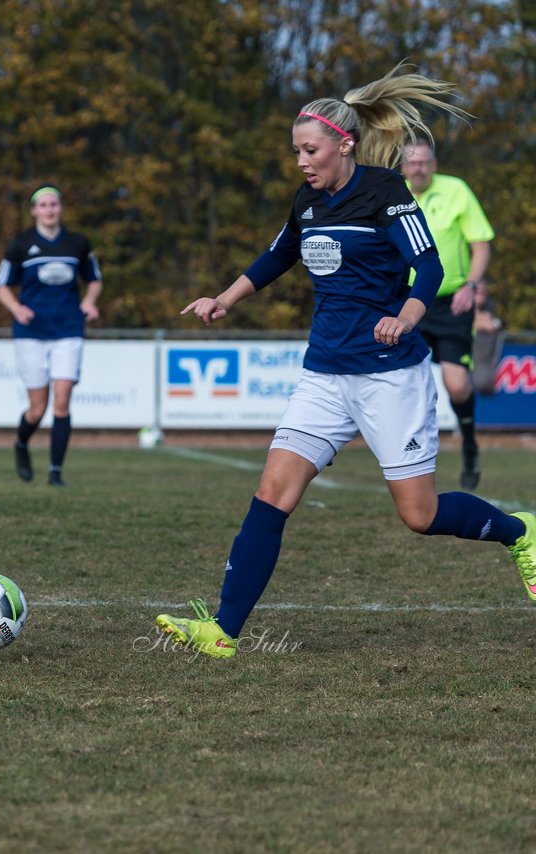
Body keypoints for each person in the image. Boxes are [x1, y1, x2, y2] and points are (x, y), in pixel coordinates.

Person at [154, 66, 536, 660]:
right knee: (272, 492)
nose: (302, 161)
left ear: (344, 144)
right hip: (325, 374)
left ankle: (520, 531)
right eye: (296, 151)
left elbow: (429, 266)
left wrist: (407, 317)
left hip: (390, 375)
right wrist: (224, 299)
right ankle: (224, 633)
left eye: (310, 150)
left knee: (420, 514)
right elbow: (277, 255)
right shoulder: (307, 200)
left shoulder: (384, 192)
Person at [401, 139, 494, 489]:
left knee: (456, 384)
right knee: (407, 384)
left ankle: (469, 445)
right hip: (409, 302)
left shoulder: (456, 190)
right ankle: (410, 458)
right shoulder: (394, 195)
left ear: (434, 163)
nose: (418, 168)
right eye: (412, 163)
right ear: (403, 167)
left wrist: (471, 285)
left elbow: (480, 243)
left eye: (424, 162)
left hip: (452, 303)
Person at [0, 186, 102, 487]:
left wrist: (89, 301)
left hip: (68, 330)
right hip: (31, 333)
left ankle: (55, 471)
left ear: (60, 207)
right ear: (34, 210)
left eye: (54, 204)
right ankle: (21, 443)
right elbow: (1, 286)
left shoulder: (77, 243)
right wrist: (16, 308)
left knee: (62, 403)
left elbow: (94, 280)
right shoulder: (21, 244)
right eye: (43, 205)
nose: (49, 209)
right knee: (37, 409)